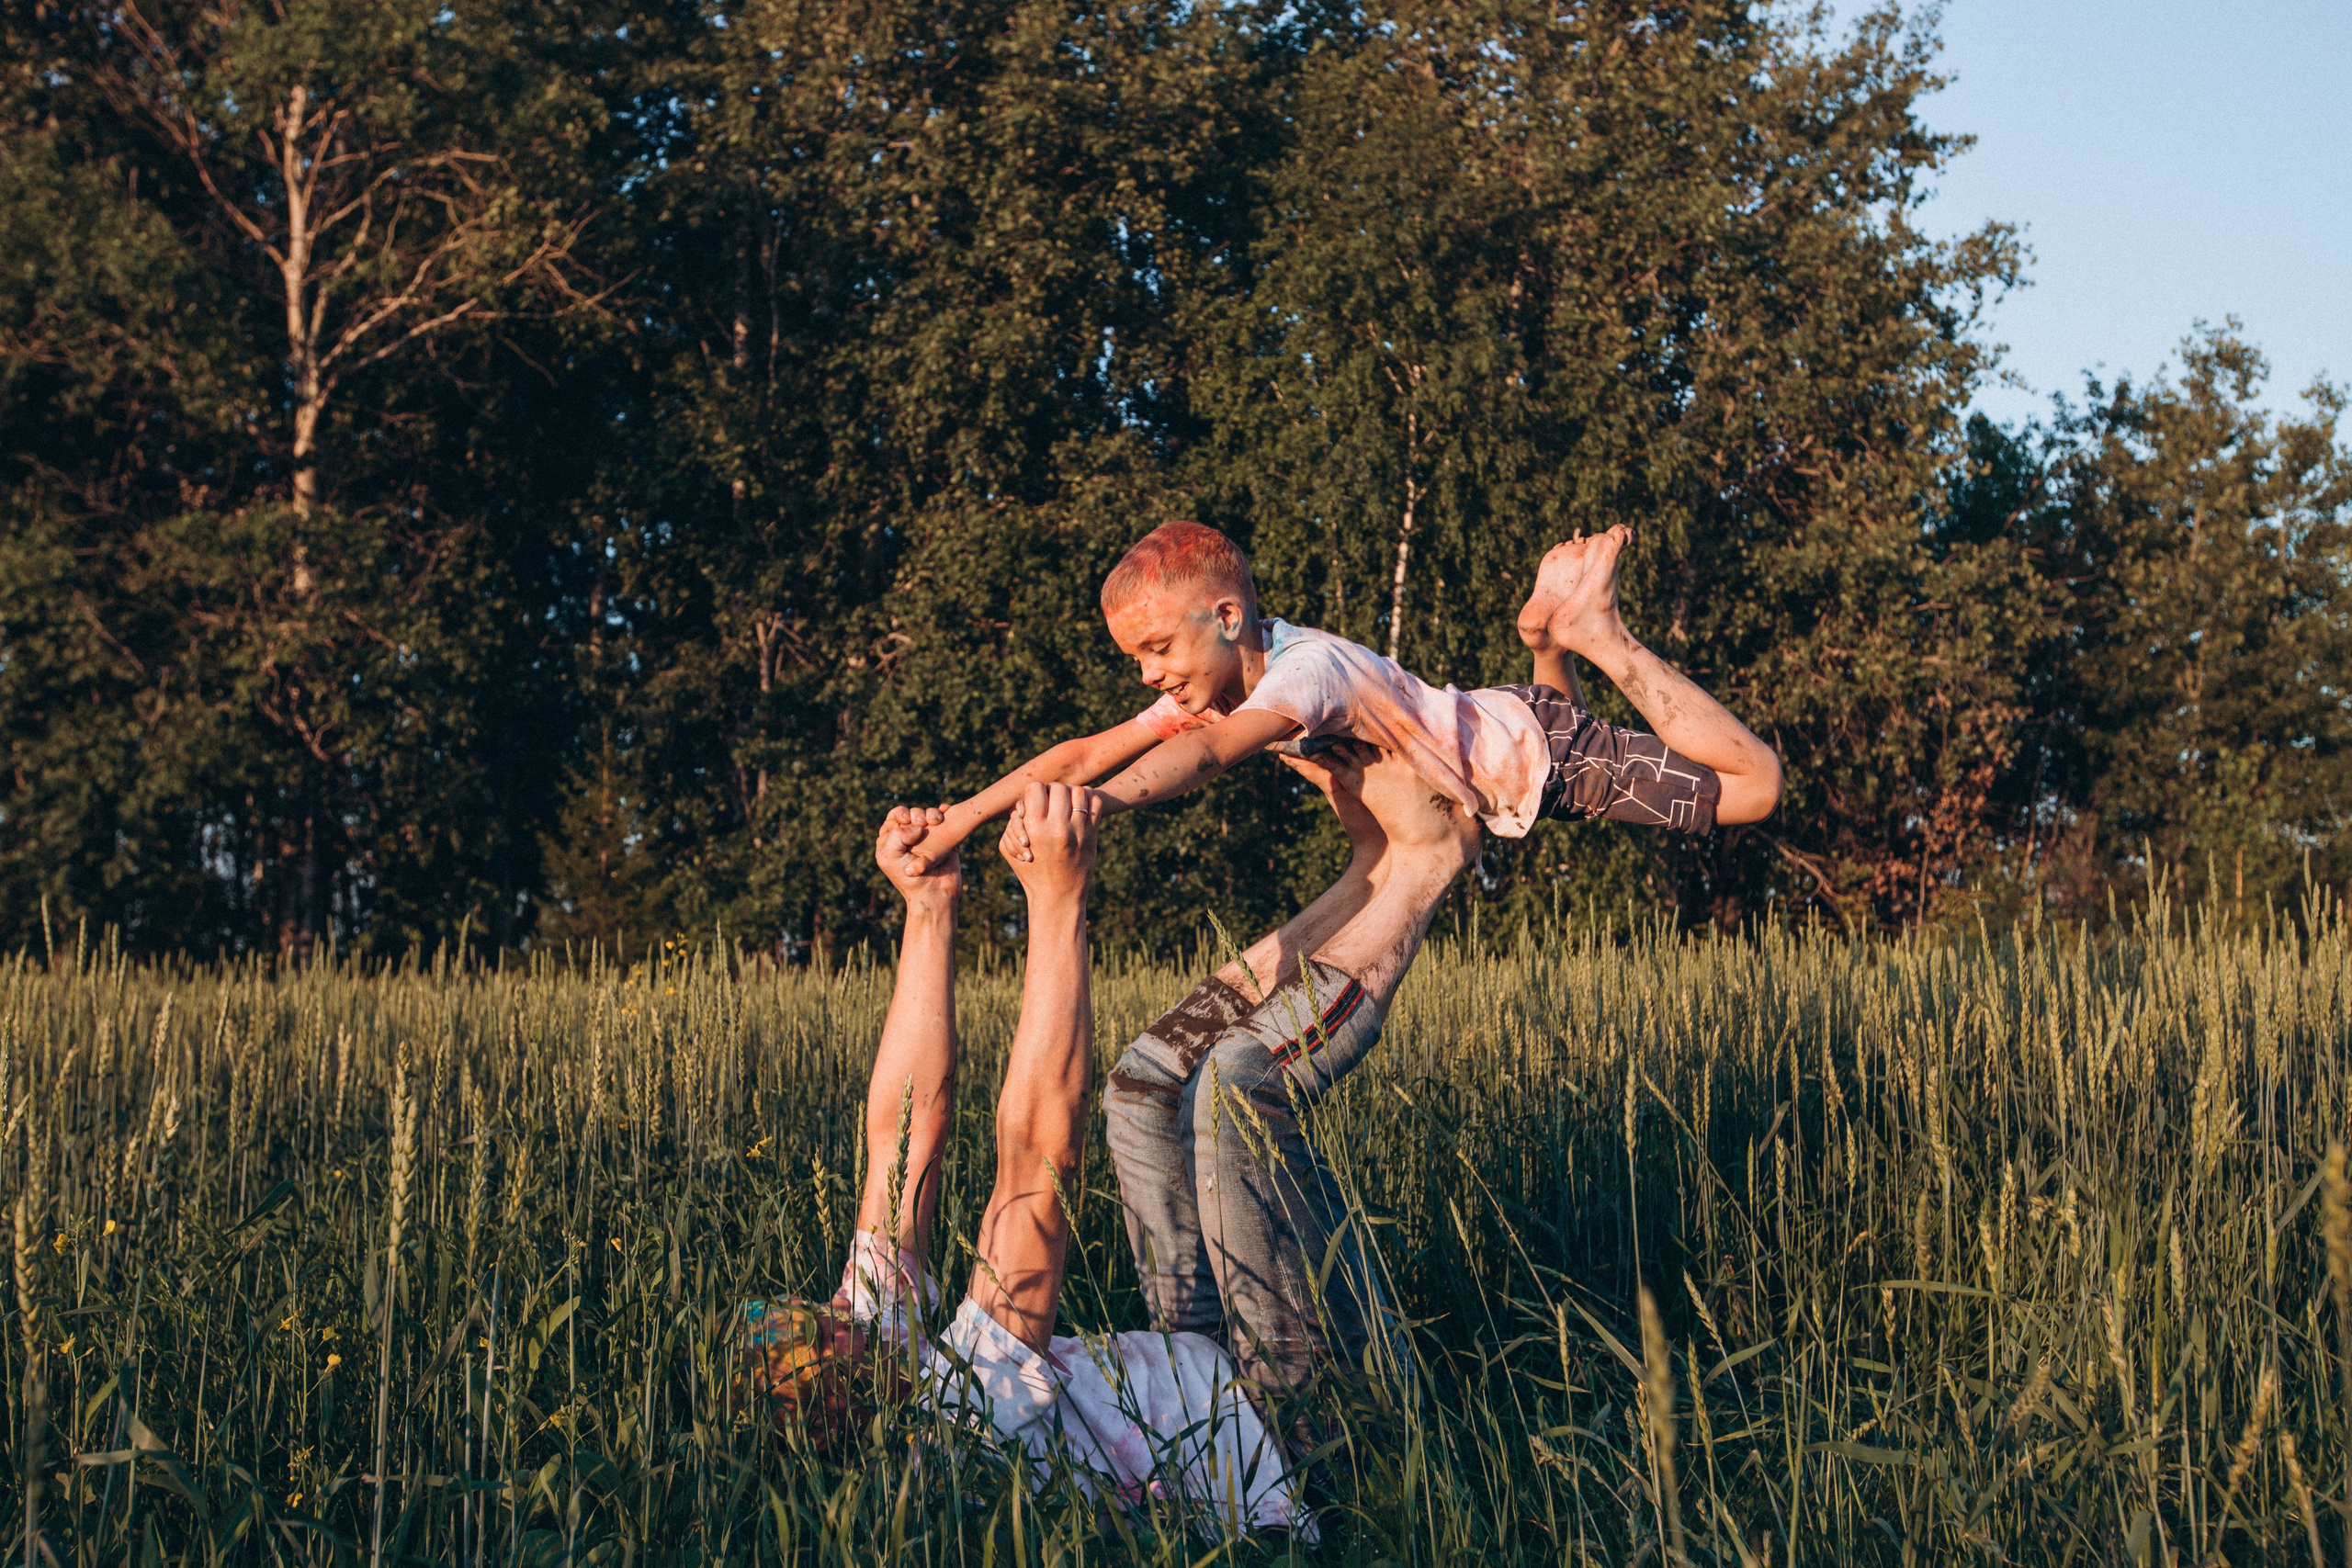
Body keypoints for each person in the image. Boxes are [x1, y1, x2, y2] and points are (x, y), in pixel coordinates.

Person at [745, 782, 1312, 1532]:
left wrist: (929, 907)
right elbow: (1041, 1157)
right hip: (1284, 1430)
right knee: (1231, 1090)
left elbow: (903, 1138)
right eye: (824, 1324)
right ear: (854, 1383)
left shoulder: (885, 1370)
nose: (831, 1306)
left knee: (1145, 1092)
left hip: (1192, 1354)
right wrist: (1057, 900)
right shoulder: (963, 1417)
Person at [886, 521, 1781, 876]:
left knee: (1754, 789)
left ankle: (1595, 633)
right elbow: (1080, 752)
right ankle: (1547, 638)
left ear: (1227, 616)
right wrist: (957, 819)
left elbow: (1202, 757)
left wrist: (1097, 805)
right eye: (1138, 658)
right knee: (1549, 735)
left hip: (1542, 757)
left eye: (1157, 648)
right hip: (1511, 727)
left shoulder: (1299, 678)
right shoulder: (1231, 671)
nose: (1150, 675)